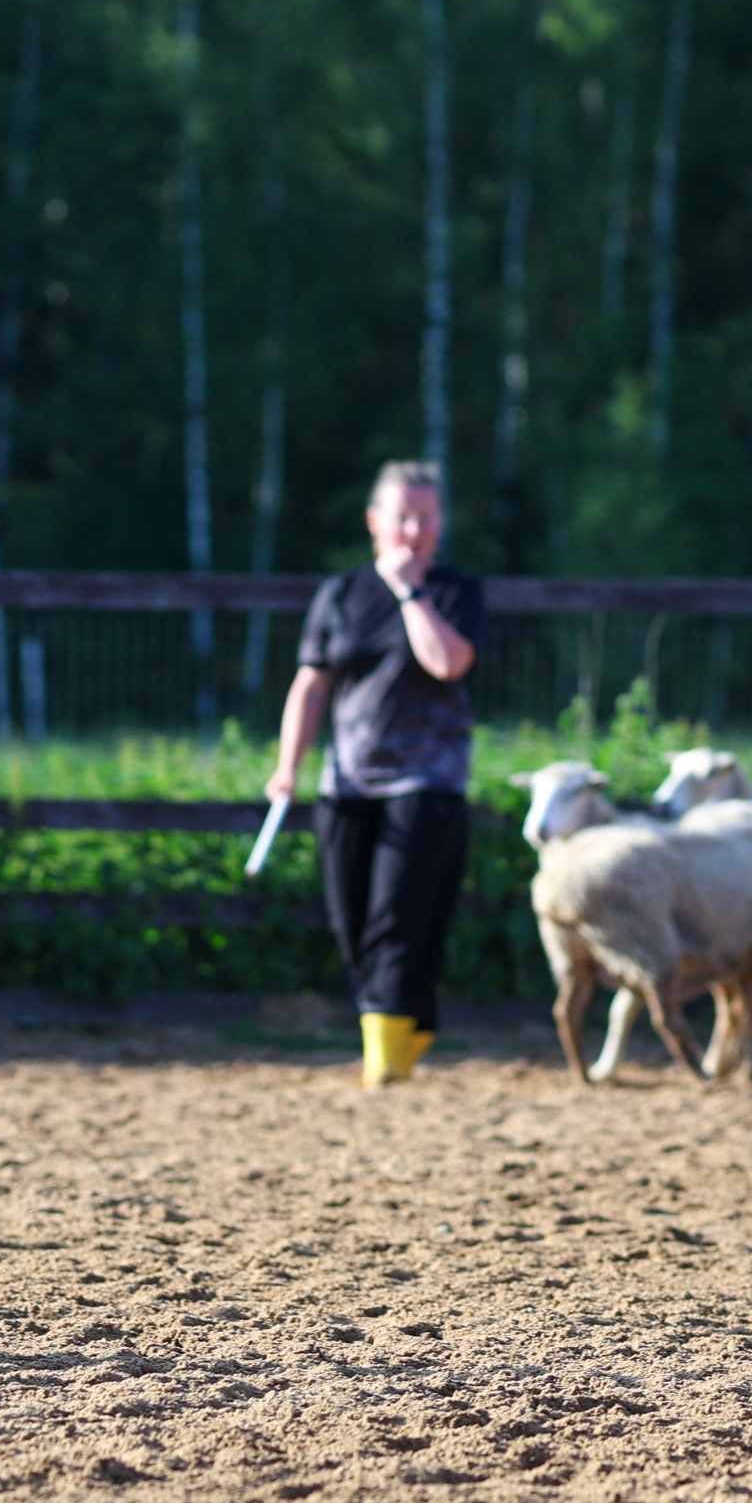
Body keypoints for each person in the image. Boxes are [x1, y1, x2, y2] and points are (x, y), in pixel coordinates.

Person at [266, 461, 485, 1089]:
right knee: (351, 921)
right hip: (346, 783)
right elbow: (313, 683)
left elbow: (448, 663)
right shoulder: (340, 593)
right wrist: (287, 767)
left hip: (428, 783)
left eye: (427, 518)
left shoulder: (455, 592)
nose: (415, 531)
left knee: (397, 917)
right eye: (403, 517)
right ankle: (409, 1024)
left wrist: (410, 593)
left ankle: (384, 1059)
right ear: (374, 521)